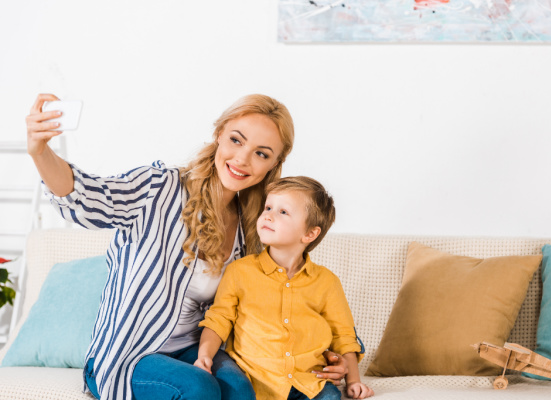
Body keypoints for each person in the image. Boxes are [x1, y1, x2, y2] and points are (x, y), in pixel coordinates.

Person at [25, 94, 349, 400]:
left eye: (261, 153)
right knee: (198, 388)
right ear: (220, 134)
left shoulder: (256, 226)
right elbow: (93, 199)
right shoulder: (161, 188)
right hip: (130, 353)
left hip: (196, 350)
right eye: (237, 140)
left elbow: (292, 293)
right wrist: (40, 151)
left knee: (240, 390)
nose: (242, 159)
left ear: (273, 164)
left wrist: (334, 353)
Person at [194, 176, 374, 400]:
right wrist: (204, 355)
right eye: (268, 207)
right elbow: (219, 319)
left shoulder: (327, 282)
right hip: (254, 379)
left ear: (309, 234)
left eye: (283, 212)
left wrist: (354, 381)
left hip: (309, 381)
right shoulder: (239, 272)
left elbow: (344, 335)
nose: (268, 215)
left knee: (330, 398)